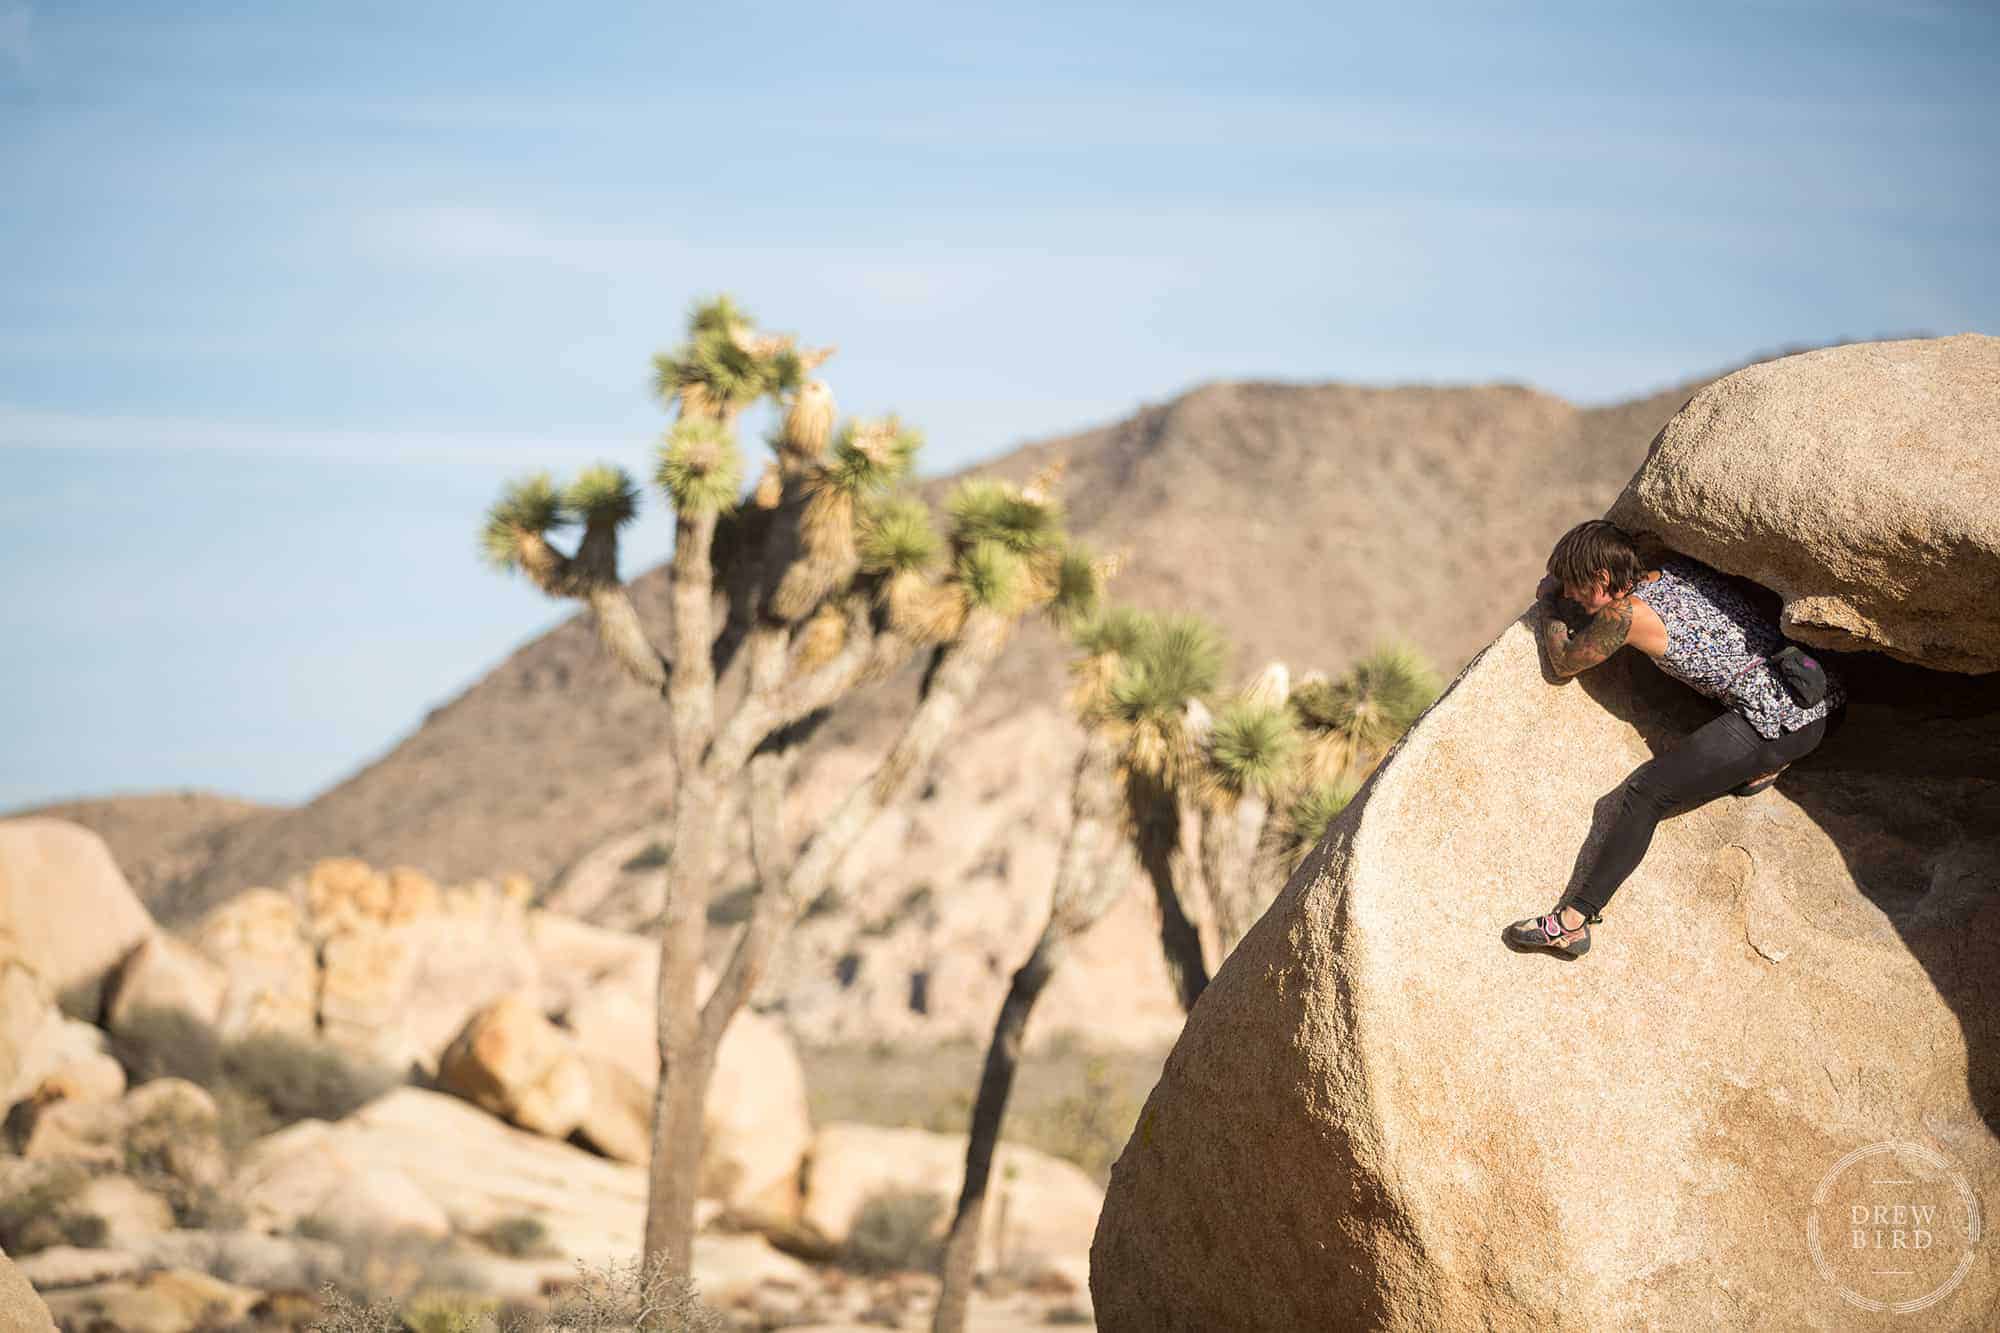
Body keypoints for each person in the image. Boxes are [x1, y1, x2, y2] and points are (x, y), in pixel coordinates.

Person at [1503, 519, 1847, 959]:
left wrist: (1549, 603)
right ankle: (1765, 766)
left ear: (1602, 579)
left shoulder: (1623, 615)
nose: (1569, 593)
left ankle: (1572, 924)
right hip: (1822, 692)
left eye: (1573, 585)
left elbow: (1566, 661)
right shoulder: (1672, 569)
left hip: (1782, 722)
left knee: (1645, 795)